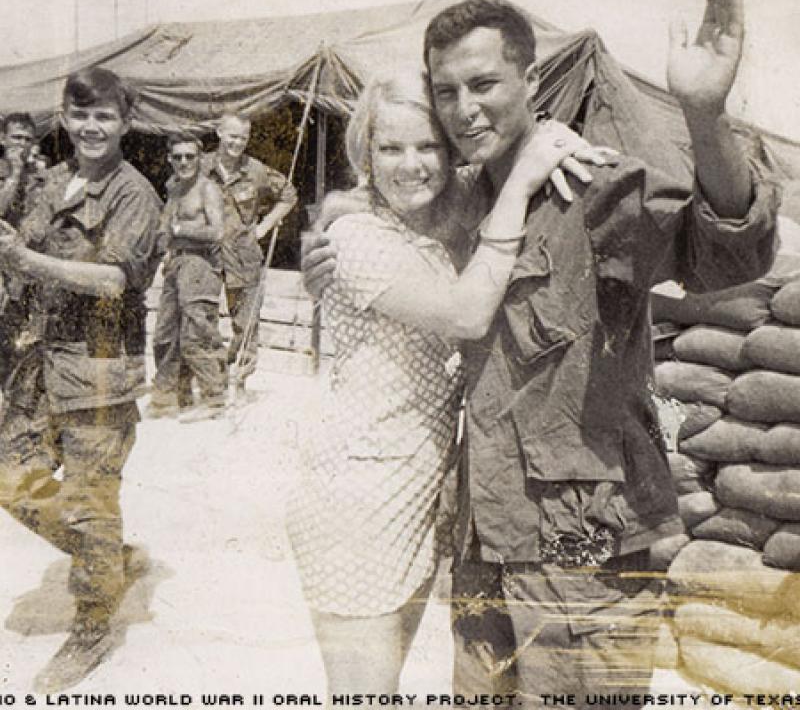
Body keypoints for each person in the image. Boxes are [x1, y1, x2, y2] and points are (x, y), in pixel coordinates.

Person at [301, 0, 780, 705]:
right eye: (447, 91)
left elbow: (729, 252)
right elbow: (378, 218)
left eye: (484, 84)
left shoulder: (588, 185)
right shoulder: (462, 204)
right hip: (485, 544)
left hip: (583, 550)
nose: (463, 110)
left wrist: (705, 116)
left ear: (531, 82)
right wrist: (324, 245)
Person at [287, 69, 611, 697]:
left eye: (427, 146)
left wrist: (552, 139)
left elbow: (520, 145)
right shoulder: (356, 238)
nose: (411, 165)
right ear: (364, 155)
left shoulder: (445, 216)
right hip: (355, 496)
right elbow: (465, 312)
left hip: (411, 490)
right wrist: (520, 184)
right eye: (390, 148)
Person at [0, 67, 163, 692]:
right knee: (15, 484)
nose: (91, 126)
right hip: (38, 364)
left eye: (105, 116)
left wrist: (24, 258)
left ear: (125, 122)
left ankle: (93, 625)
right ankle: (110, 563)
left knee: (92, 506)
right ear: (63, 119)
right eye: (80, 113)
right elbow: (21, 244)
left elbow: (112, 280)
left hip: (97, 371)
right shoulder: (53, 182)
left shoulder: (135, 195)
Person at [203, 113, 297, 391]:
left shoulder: (255, 171)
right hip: (205, 254)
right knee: (202, 320)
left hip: (243, 256)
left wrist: (265, 226)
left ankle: (240, 380)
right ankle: (214, 379)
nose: (237, 143)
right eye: (232, 136)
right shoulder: (199, 167)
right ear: (219, 132)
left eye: (243, 138)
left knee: (246, 323)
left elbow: (289, 195)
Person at [149, 130, 227, 421]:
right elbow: (164, 227)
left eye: (190, 156)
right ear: (170, 159)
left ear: (200, 158)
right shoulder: (175, 188)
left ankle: (214, 397)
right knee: (164, 334)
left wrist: (180, 231)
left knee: (196, 332)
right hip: (175, 264)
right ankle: (171, 397)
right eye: (178, 157)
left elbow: (217, 232)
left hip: (200, 264)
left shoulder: (207, 189)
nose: (184, 162)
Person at [0, 113, 45, 386]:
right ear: (3, 139)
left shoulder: (39, 174)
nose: (22, 144)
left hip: (25, 260)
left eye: (28, 139)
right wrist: (14, 175)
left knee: (21, 327)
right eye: (17, 137)